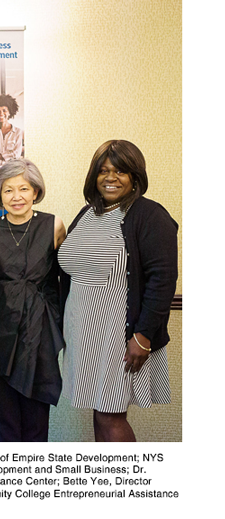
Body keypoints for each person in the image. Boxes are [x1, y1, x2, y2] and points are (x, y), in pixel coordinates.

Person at [58, 140, 178, 442]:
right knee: (99, 411)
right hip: (83, 334)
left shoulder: (149, 215)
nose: (110, 178)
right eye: (103, 170)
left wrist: (143, 336)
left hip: (119, 336)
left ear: (135, 176)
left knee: (111, 414)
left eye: (121, 171)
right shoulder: (87, 213)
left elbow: (162, 279)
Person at [0, 158, 66, 442]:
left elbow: (66, 278)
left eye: (24, 189)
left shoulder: (54, 225)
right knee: (6, 419)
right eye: (9, 190)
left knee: (36, 418)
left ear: (35, 192)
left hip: (39, 332)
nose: (17, 197)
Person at [0, 94, 23, 167]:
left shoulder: (17, 132)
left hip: (10, 169)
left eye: (4, 110)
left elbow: (16, 155)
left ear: (9, 112)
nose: (1, 114)